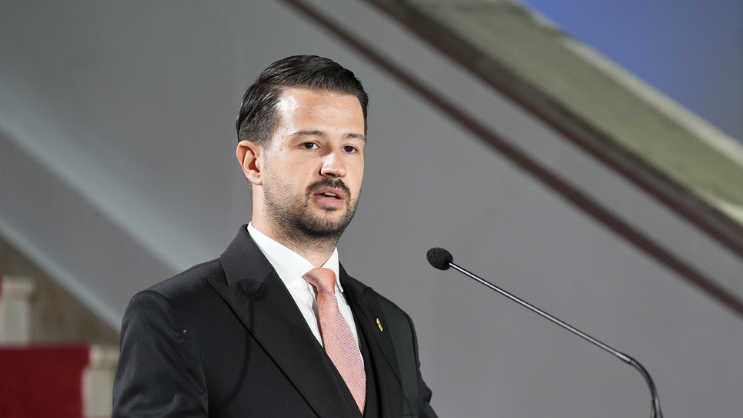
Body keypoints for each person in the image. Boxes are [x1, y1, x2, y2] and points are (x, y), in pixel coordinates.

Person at [112, 55, 437, 418]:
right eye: (310, 144)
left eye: (350, 148)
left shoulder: (393, 325)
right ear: (253, 162)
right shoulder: (176, 313)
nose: (335, 166)